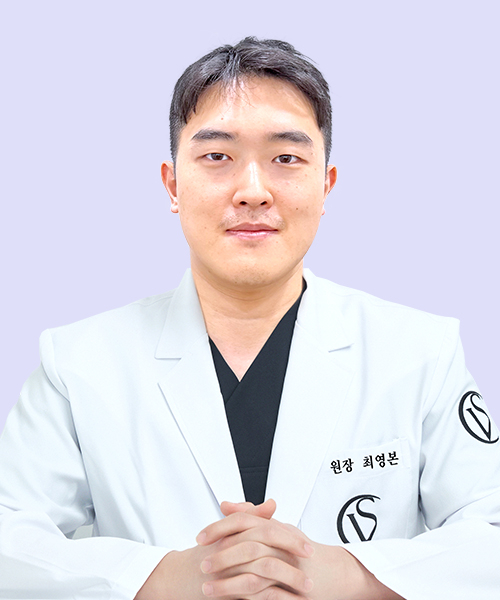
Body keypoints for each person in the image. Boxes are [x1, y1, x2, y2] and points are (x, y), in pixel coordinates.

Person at [0, 37, 499, 600]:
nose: (253, 192)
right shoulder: (78, 363)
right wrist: (159, 577)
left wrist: (352, 575)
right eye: (218, 157)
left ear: (326, 185)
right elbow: (9, 539)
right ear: (172, 185)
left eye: (286, 158)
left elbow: (492, 531)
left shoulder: (420, 351)